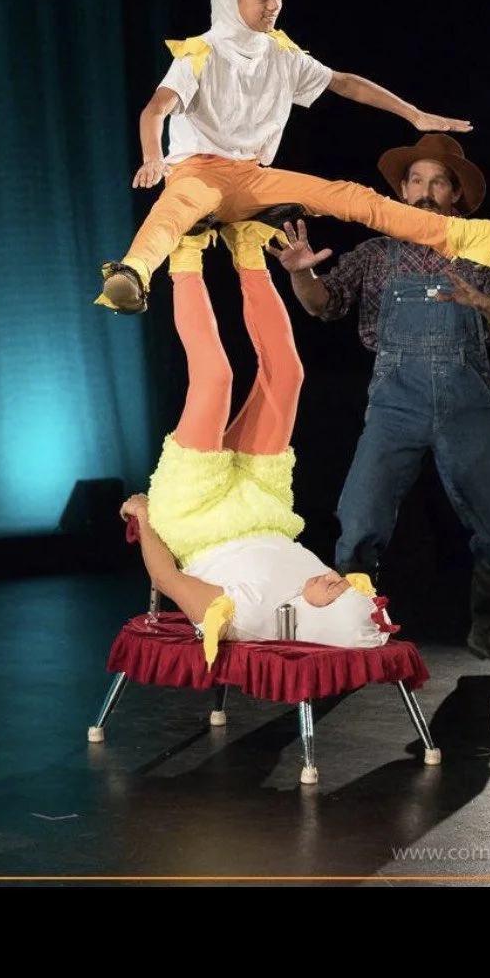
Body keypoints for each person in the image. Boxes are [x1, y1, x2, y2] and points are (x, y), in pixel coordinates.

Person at [95, 0, 490, 317]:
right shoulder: (201, 53)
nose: (274, 5)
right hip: (199, 173)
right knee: (174, 209)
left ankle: (474, 234)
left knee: (349, 196)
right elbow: (154, 109)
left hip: (253, 179)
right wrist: (153, 157)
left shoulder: (282, 55)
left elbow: (346, 84)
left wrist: (413, 114)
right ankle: (132, 273)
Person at [268, 133, 490, 681]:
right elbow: (326, 305)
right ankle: (348, 637)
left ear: (456, 197)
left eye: (437, 181)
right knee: (359, 523)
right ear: (401, 191)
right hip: (397, 401)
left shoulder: (484, 250)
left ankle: (488, 630)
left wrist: (481, 299)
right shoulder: (375, 254)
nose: (424, 191)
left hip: (468, 405)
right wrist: (302, 272)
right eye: (415, 180)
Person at [118, 216, 396, 668]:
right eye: (345, 589)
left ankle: (185, 253)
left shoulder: (241, 619)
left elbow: (166, 578)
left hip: (197, 516)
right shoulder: (327, 584)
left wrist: (146, 514)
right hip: (261, 504)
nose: (338, 583)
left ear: (316, 626)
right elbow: (347, 598)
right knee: (288, 376)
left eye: (335, 597)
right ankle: (247, 250)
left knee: (215, 379)